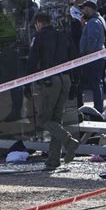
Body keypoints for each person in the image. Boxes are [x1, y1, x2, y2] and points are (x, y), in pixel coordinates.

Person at [25, 12, 80, 169]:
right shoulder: (63, 36)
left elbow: (32, 60)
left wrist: (27, 84)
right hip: (66, 79)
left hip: (50, 81)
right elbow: (75, 57)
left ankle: (69, 141)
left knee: (44, 119)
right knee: (56, 120)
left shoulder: (39, 37)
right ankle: (53, 159)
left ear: (38, 24)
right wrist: (75, 83)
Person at [79, 0, 106, 112]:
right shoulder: (97, 20)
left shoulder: (93, 22)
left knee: (93, 83)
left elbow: (92, 39)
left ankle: (97, 108)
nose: (83, 11)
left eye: (84, 9)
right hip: (97, 56)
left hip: (92, 57)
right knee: (96, 83)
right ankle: (98, 107)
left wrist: (88, 55)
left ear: (90, 9)